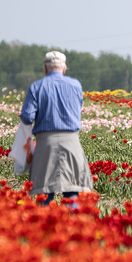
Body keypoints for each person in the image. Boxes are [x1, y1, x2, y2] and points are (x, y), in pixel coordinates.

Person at [19, 51, 91, 206]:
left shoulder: (37, 87)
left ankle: (45, 219)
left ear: (45, 68)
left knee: (44, 191)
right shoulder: (75, 85)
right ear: (64, 68)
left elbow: (27, 117)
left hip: (46, 143)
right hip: (72, 142)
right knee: (72, 190)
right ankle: (74, 218)